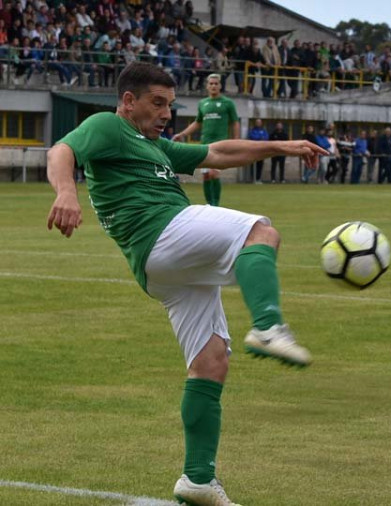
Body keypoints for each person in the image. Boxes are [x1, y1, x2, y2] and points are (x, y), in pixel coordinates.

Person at [45, 61, 327, 506]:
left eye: (170, 106)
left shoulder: (154, 146)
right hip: (160, 233)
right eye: (157, 103)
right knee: (261, 233)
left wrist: (281, 145)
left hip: (163, 269)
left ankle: (197, 479)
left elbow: (217, 153)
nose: (165, 114)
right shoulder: (107, 126)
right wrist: (65, 191)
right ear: (128, 101)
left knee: (211, 362)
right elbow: (62, 151)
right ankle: (269, 325)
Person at [173, 74, 238, 206]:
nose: (213, 86)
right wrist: (183, 134)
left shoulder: (228, 103)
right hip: (205, 144)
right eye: (211, 84)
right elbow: (198, 122)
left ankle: (215, 204)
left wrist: (236, 140)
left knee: (214, 173)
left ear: (220, 86)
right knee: (206, 175)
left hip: (220, 144)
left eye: (216, 83)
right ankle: (209, 204)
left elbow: (235, 122)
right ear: (207, 86)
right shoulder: (203, 103)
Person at [247, 118, 269, 183]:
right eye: (257, 122)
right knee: (253, 165)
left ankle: (258, 178)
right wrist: (259, 138)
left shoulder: (264, 130)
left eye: (259, 122)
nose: (258, 123)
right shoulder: (253, 130)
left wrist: (262, 139)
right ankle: (253, 178)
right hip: (254, 150)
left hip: (261, 150)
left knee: (260, 165)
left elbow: (266, 137)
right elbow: (252, 137)